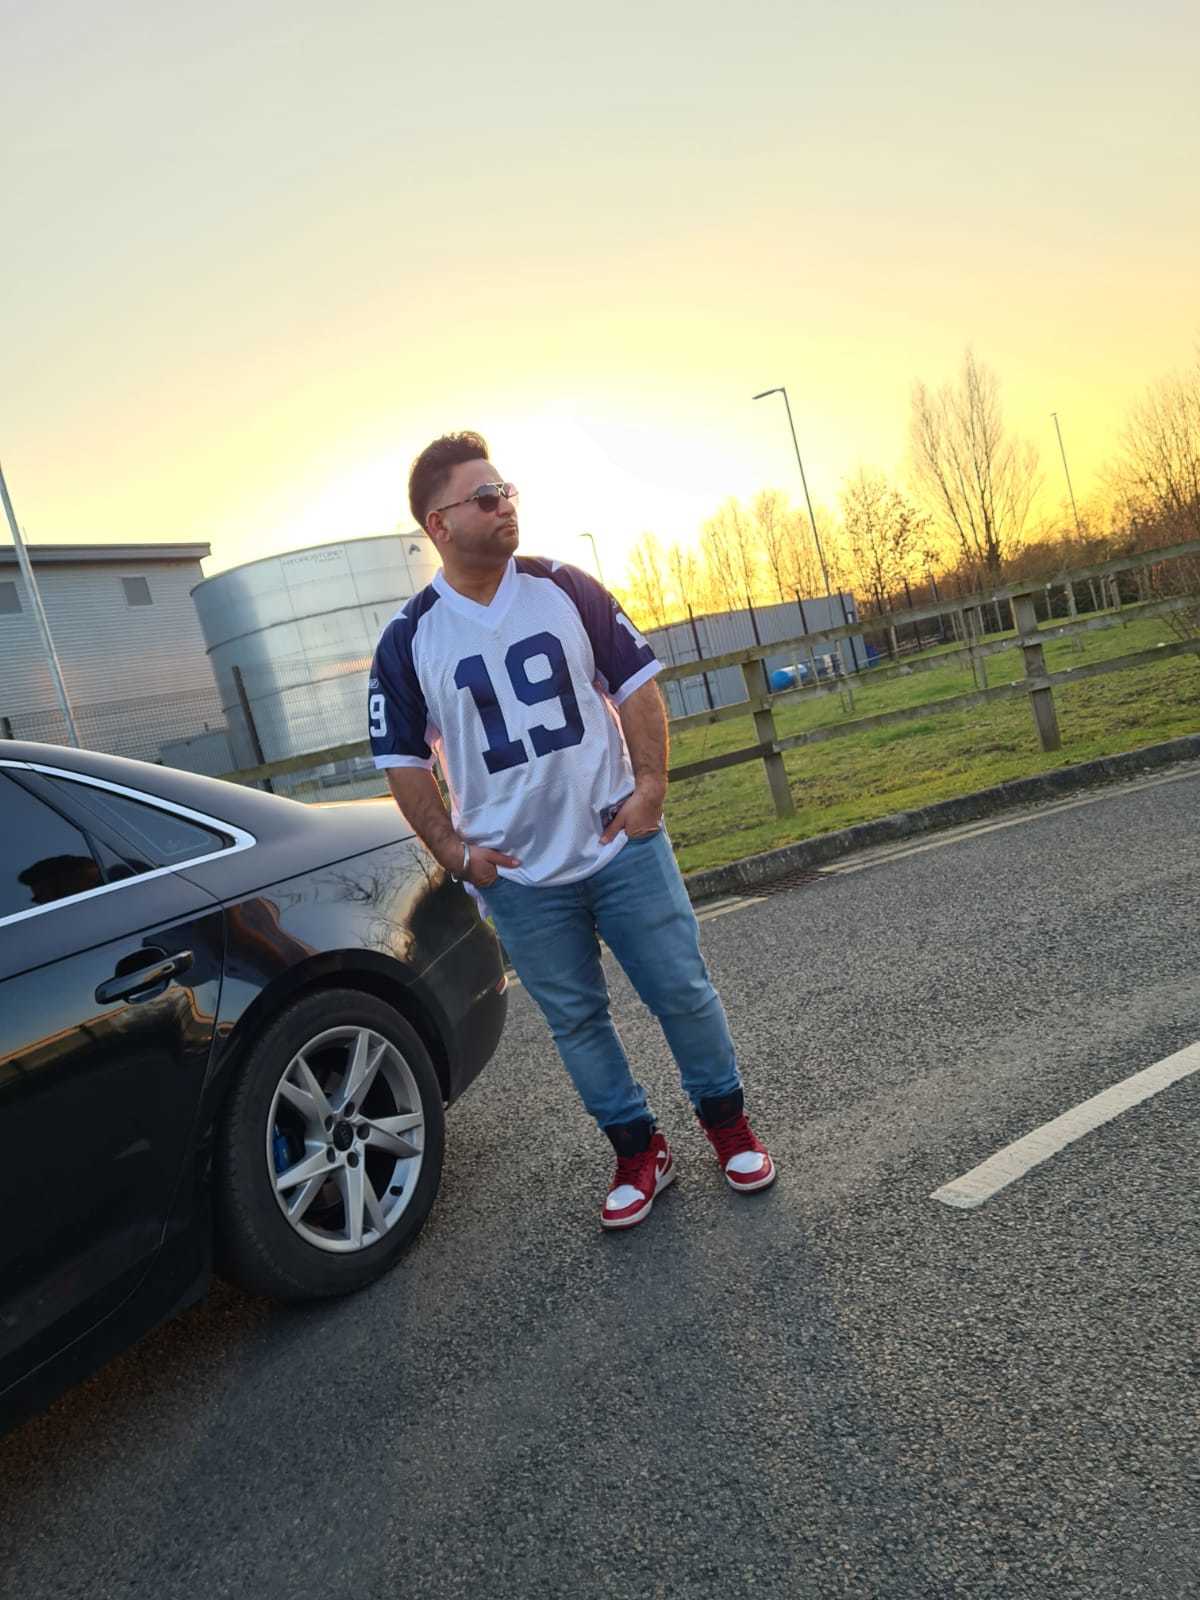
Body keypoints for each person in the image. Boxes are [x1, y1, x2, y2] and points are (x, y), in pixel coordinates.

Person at [368, 431, 775, 1230]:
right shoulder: (410, 638)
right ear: (439, 524)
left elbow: (638, 685)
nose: (505, 505)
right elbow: (402, 761)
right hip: (519, 875)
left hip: (619, 844)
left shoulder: (564, 587)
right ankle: (638, 1151)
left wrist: (649, 789)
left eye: (507, 491)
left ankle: (728, 1127)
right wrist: (455, 852)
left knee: (681, 991)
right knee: (578, 1022)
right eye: (486, 497)